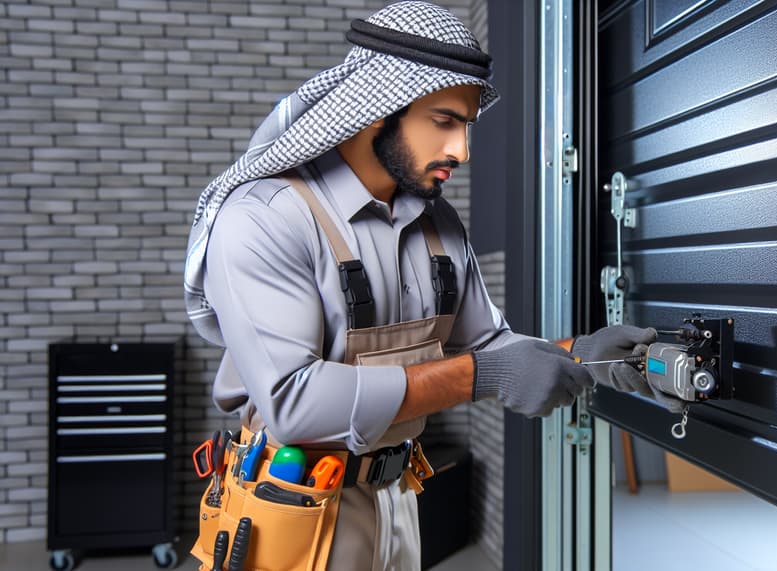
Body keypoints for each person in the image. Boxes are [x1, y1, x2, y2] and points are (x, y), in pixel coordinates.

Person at [183, 2, 658, 569]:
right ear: (376, 110)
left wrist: (577, 354)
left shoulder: (438, 224)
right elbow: (294, 403)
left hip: (397, 499)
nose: (461, 150)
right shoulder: (264, 218)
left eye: (465, 125)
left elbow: (485, 348)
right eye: (443, 121)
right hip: (290, 510)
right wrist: (478, 376)